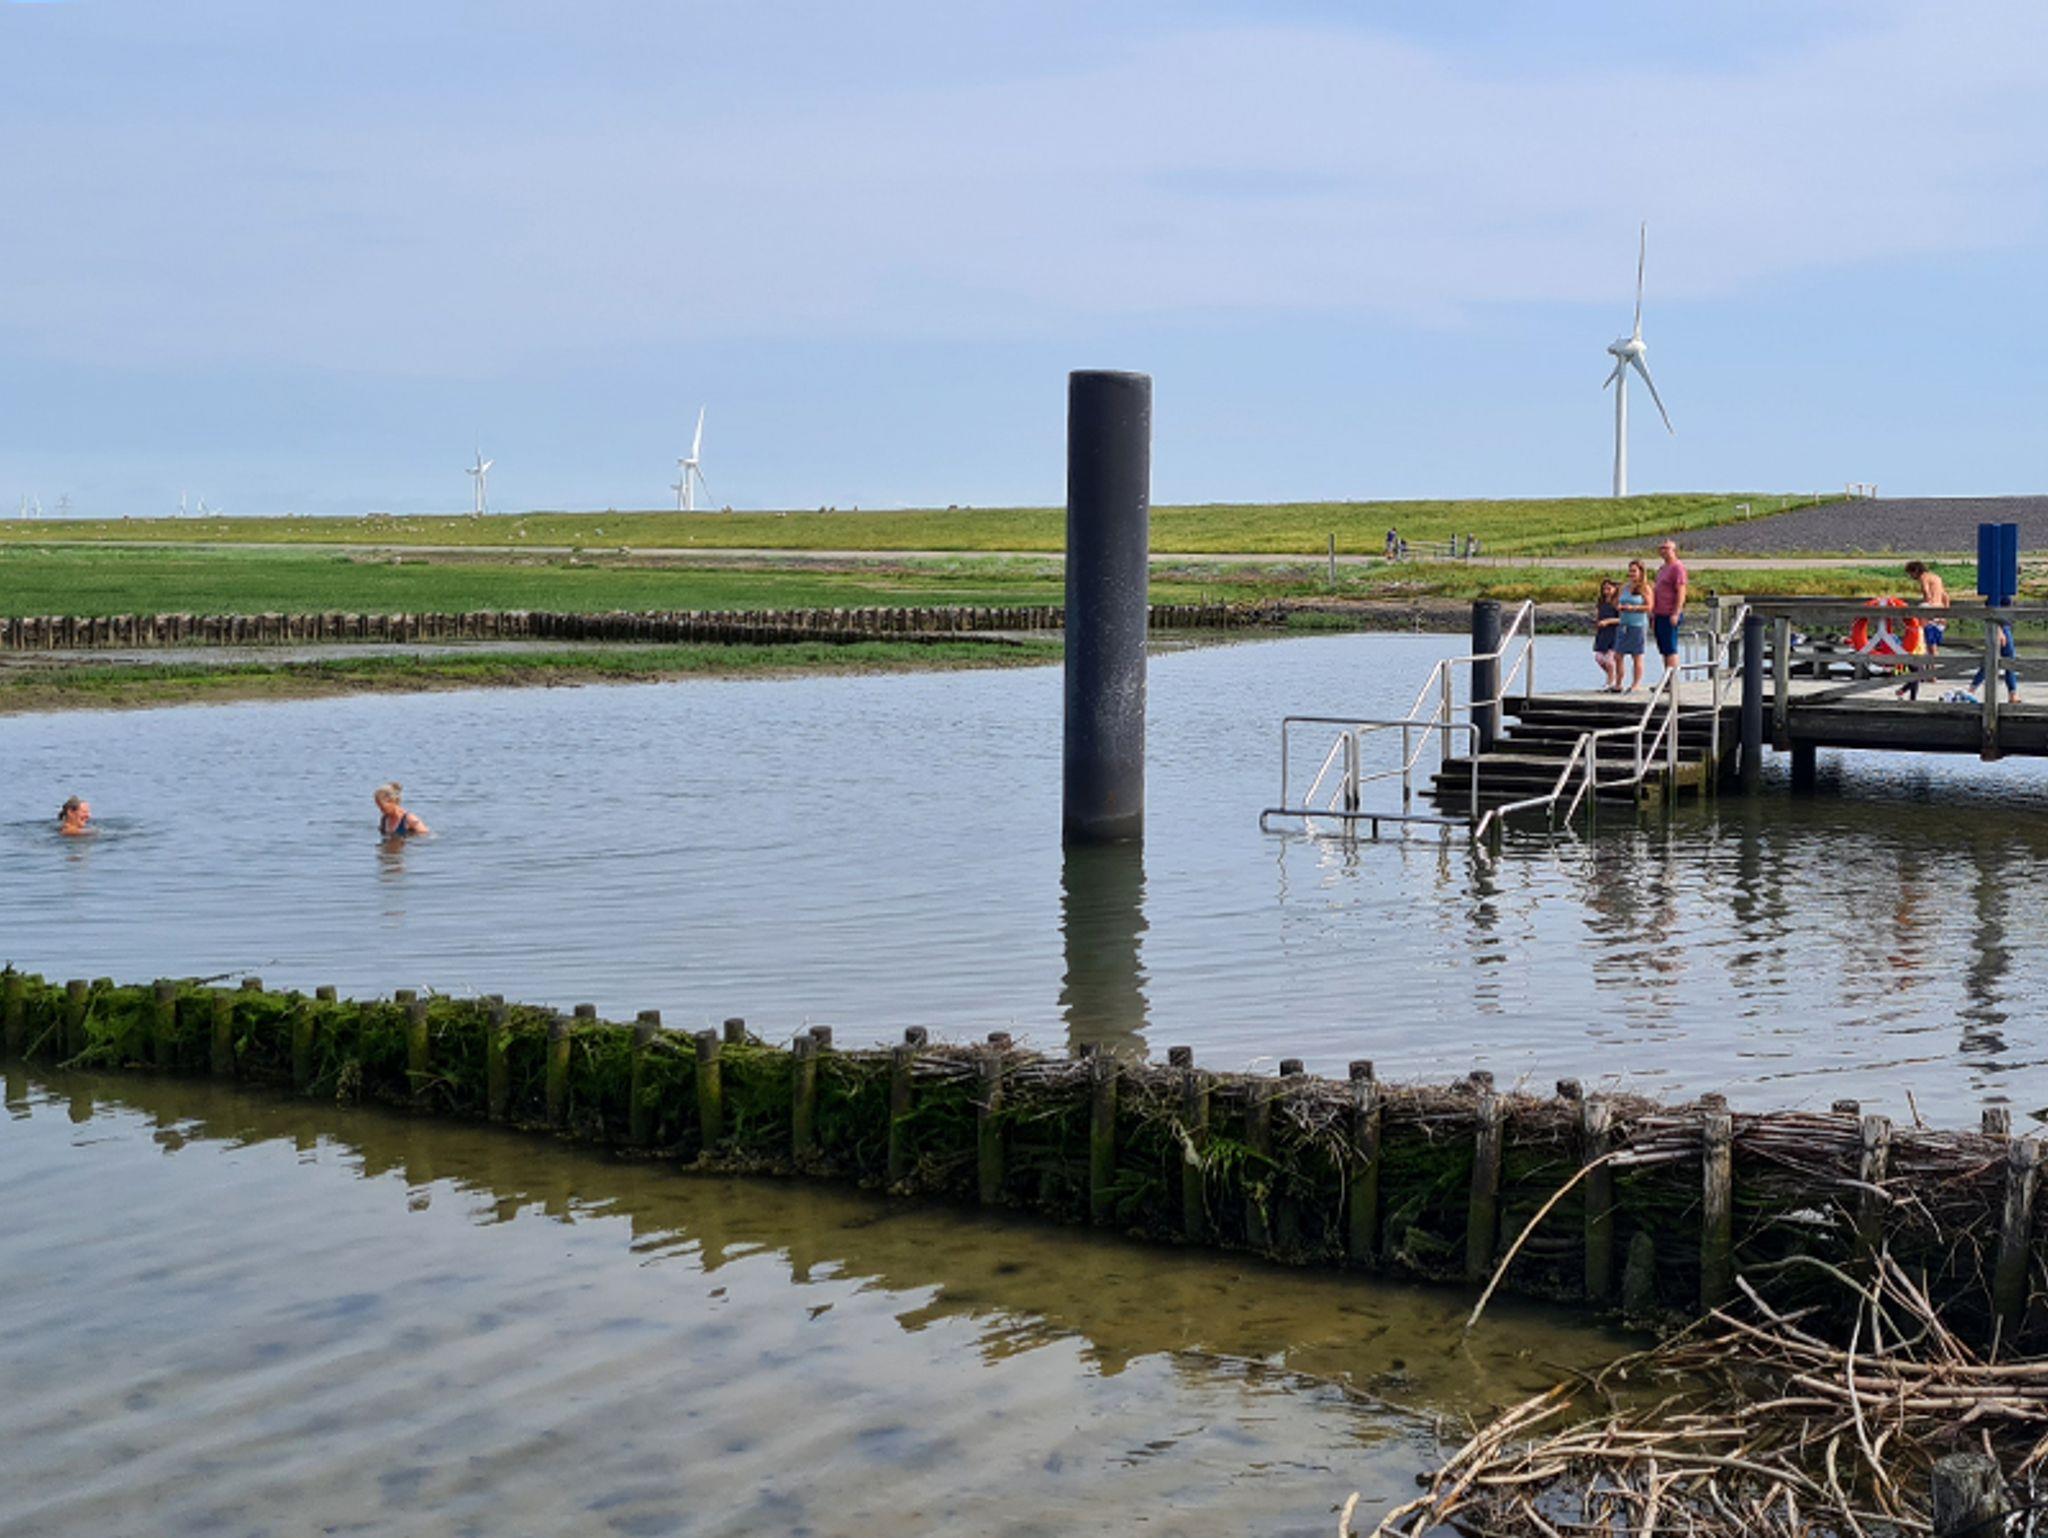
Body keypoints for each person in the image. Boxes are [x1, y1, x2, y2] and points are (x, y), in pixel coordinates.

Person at [1901, 560, 1950, 700]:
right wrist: (1945, 613)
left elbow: (1927, 595)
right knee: (1933, 644)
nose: (1911, 577)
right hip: (1940, 609)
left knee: (1925, 642)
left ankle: (1928, 674)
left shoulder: (1924, 578)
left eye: (1911, 574)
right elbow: (1946, 596)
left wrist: (1925, 610)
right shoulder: (1937, 577)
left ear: (1916, 571)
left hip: (1929, 609)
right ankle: (1931, 673)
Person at [1651, 538, 1688, 674]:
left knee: (1671, 648)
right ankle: (1667, 678)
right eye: (1661, 548)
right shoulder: (1662, 568)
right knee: (1664, 649)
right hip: (1659, 613)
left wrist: (1676, 613)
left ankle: (1672, 679)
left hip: (1670, 613)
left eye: (1667, 548)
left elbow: (1681, 591)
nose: (1664, 551)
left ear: (1674, 550)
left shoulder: (1677, 567)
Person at [1615, 561, 1651, 691]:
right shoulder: (1624, 587)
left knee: (1637, 655)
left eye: (1634, 571)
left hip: (1638, 625)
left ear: (1641, 572)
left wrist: (1633, 608)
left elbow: (1649, 607)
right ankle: (1618, 683)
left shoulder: (1645, 588)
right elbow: (1617, 602)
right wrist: (1619, 607)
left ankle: (1635, 684)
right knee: (1618, 655)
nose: (1631, 574)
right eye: (1630, 571)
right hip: (1624, 624)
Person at [1971, 623, 2021, 705]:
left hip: (2003, 626)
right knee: (2009, 660)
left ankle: (1972, 689)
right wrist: (1999, 631)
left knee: (1993, 661)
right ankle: (2012, 694)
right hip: (2001, 626)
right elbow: (1994, 615)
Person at [1592, 578, 1622, 691]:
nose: (1606, 591)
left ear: (1615, 589)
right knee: (1599, 658)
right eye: (1604, 589)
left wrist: (1608, 621)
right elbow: (1599, 616)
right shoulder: (1601, 603)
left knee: (1609, 660)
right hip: (1602, 634)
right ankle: (1611, 676)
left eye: (1609, 589)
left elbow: (1622, 619)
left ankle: (1610, 681)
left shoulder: (1618, 603)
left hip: (1614, 633)